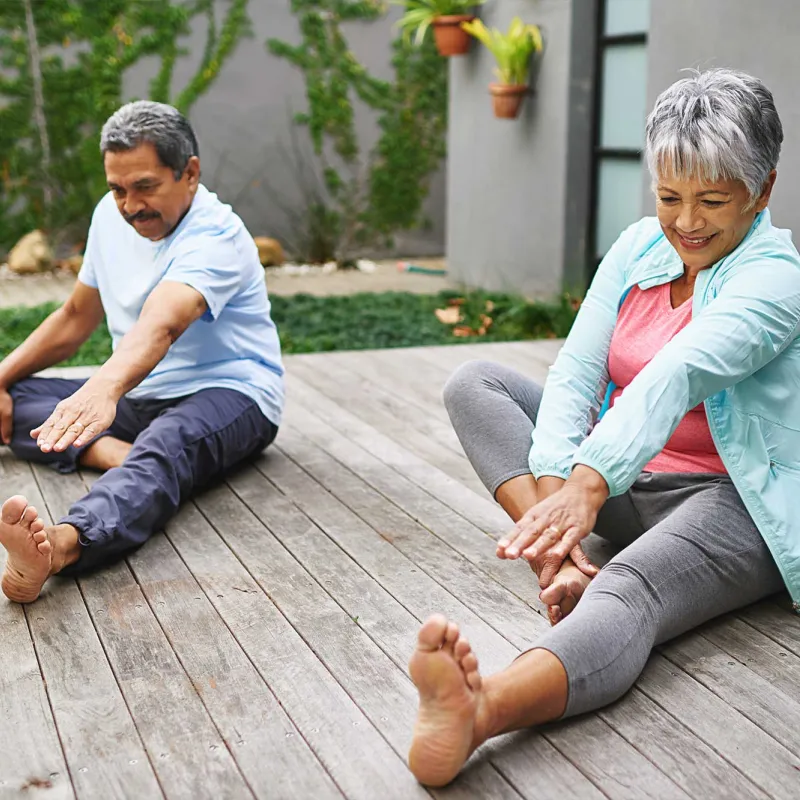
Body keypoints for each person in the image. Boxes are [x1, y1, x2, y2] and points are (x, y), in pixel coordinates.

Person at [406, 68, 800, 787]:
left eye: (712, 200)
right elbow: (576, 375)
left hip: (731, 501)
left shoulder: (777, 279)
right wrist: (560, 494)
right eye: (668, 197)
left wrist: (587, 486)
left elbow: (676, 373)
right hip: (626, 482)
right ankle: (558, 558)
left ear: (763, 191)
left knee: (630, 589)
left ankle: (482, 709)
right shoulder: (637, 250)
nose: (685, 223)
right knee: (478, 385)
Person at [0, 101, 284, 603]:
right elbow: (74, 320)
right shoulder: (109, 219)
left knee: (168, 443)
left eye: (145, 187)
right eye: (117, 189)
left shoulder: (217, 236)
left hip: (231, 393)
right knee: (13, 396)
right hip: (140, 392)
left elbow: (162, 324)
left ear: (189, 173)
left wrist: (104, 389)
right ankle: (113, 452)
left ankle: (59, 548)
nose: (130, 205)